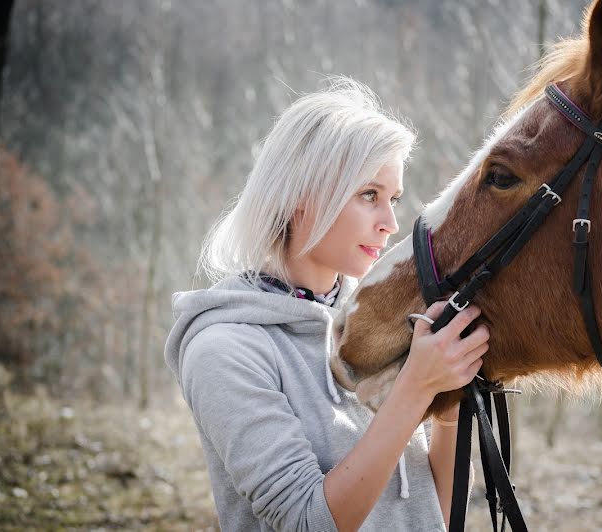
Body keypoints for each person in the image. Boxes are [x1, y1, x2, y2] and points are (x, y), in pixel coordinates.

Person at [164, 79, 489, 531]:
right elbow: (306, 522)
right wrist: (414, 388)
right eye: (369, 195)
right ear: (300, 197)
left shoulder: (377, 324)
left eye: (393, 199)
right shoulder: (224, 349)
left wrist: (448, 402)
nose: (391, 223)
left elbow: (435, 513)